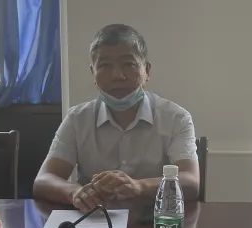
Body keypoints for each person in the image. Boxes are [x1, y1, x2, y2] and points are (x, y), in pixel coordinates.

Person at [33, 24, 199, 210]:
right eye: (104, 66)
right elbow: (44, 180)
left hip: (155, 220)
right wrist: (75, 192)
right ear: (93, 73)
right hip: (95, 218)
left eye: (129, 64)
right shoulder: (77, 119)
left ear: (147, 71)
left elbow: (191, 182)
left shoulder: (176, 118)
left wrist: (139, 187)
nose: (117, 76)